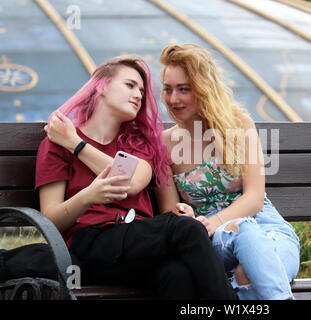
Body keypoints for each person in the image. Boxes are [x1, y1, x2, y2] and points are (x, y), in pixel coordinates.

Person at [35, 54, 236, 300]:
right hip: (90, 245)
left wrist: (75, 144)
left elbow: (131, 180)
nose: (139, 95)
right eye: (130, 85)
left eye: (142, 89)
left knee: (177, 275)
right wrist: (88, 196)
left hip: (137, 245)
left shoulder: (137, 144)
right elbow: (51, 221)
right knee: (187, 229)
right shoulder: (56, 145)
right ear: (101, 86)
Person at [156, 44, 300, 300]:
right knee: (243, 233)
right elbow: (169, 211)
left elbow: (255, 198)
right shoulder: (164, 144)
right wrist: (186, 216)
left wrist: (215, 221)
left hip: (271, 230)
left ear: (203, 89)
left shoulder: (238, 125)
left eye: (183, 89)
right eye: (168, 89)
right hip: (217, 241)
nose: (173, 99)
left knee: (248, 270)